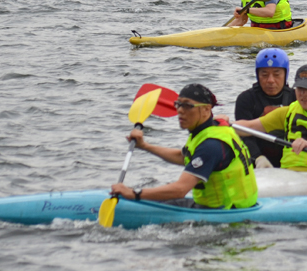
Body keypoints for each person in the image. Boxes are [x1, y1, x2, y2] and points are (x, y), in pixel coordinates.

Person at [110, 84, 257, 209]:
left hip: (223, 212)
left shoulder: (211, 145)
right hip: (232, 205)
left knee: (153, 198)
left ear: (206, 110)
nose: (179, 110)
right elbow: (183, 157)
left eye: (187, 105)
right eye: (178, 104)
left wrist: (133, 193)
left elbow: (180, 189)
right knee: (158, 196)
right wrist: (145, 146)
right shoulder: (214, 129)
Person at [230, 64, 307, 174]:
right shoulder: (287, 112)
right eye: (300, 89)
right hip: (289, 174)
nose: (304, 94)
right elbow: (249, 127)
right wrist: (222, 124)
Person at [234, 48, 297, 168]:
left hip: (291, 159)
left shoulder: (296, 98)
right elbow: (244, 135)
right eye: (264, 74)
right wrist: (257, 158)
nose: (270, 80)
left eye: (277, 74)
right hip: (257, 161)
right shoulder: (246, 99)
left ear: (286, 74)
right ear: (257, 75)